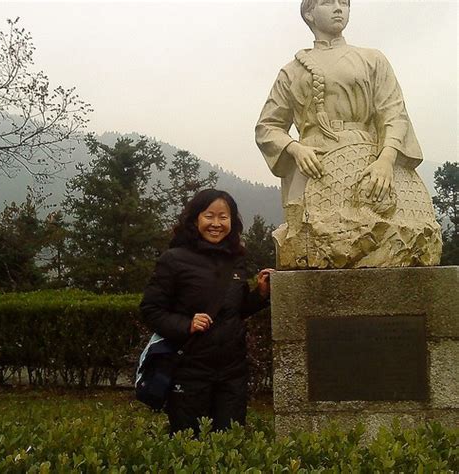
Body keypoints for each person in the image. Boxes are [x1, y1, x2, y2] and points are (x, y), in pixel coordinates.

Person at [255, 0, 441, 268]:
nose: (339, 8)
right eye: (328, 2)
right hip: (312, 167)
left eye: (344, 2)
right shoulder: (292, 71)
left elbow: (393, 113)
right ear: (309, 13)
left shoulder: (371, 59)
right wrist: (295, 148)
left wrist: (386, 160)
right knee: (307, 252)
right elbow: (267, 127)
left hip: (367, 160)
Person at [140, 189, 273, 434]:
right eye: (209, 216)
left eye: (223, 217)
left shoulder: (236, 260)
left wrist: (261, 295)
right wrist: (186, 324)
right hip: (189, 371)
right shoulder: (174, 259)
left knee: (228, 444)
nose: (216, 224)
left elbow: (235, 310)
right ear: (195, 219)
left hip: (232, 374)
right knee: (188, 444)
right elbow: (151, 309)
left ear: (232, 222)